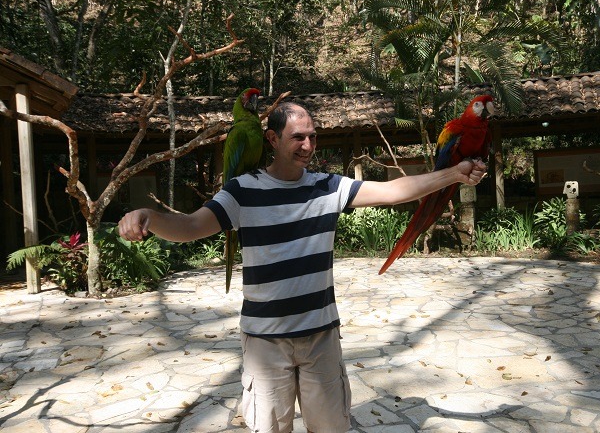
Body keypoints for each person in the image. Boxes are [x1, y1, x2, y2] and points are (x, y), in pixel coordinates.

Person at [118, 102, 487, 432]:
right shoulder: (242, 191)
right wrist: (148, 216)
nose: (308, 146)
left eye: (312, 137)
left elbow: (393, 191)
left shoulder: (329, 187)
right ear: (272, 138)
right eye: (298, 137)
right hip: (266, 342)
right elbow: (192, 226)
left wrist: (453, 174)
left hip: (321, 337)